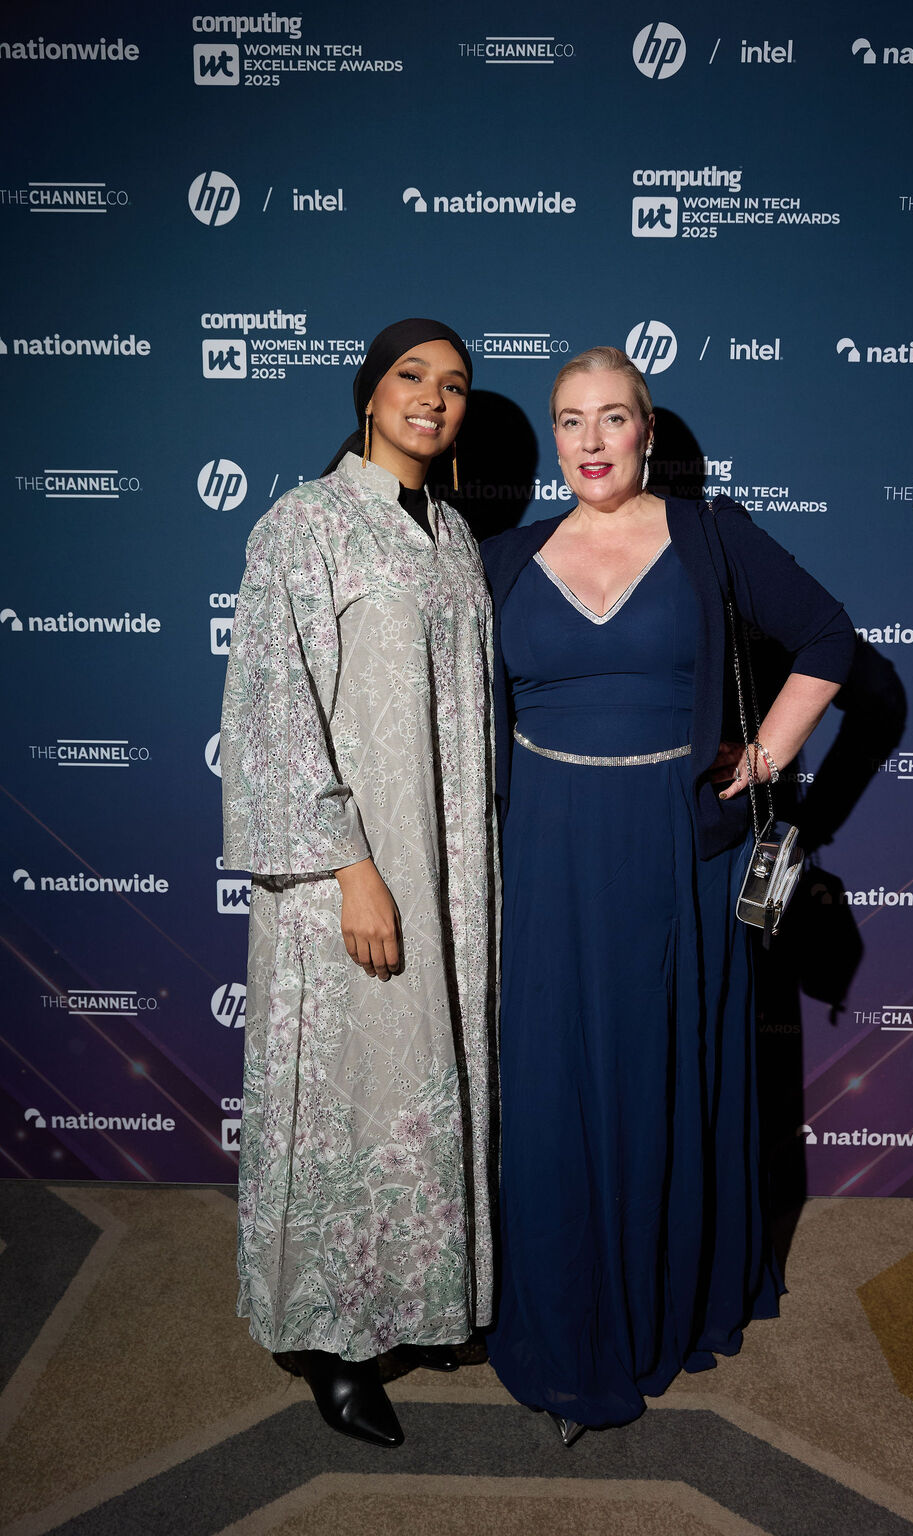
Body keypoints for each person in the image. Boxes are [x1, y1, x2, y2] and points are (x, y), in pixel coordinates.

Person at [482, 347, 854, 1444]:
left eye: (613, 417)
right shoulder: (503, 559)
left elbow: (829, 640)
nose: (591, 441)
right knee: (552, 1082)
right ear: (554, 438)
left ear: (647, 429)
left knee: (661, 1066)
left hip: (676, 854)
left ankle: (662, 1300)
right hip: (546, 853)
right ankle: (566, 1318)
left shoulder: (709, 536)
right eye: (570, 420)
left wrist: (765, 755)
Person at [220, 319, 498, 1448]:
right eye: (411, 376)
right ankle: (332, 1342)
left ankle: (420, 1302)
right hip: (352, 873)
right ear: (369, 395)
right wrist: (352, 869)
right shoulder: (304, 523)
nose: (434, 396)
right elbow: (273, 714)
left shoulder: (457, 535)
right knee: (343, 1094)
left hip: (448, 869)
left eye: (455, 384)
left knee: (419, 1087)